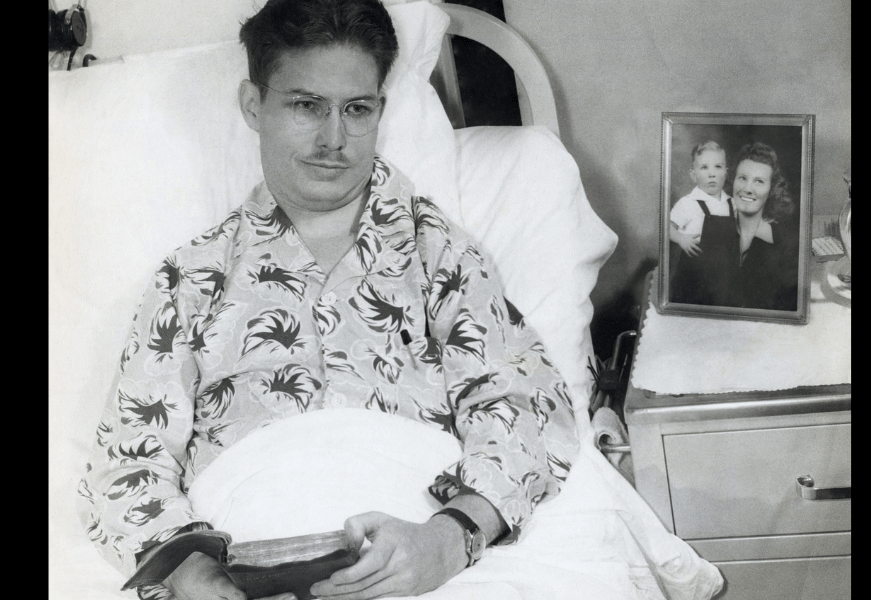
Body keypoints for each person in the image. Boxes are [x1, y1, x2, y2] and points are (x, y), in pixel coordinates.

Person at [75, 1, 580, 599]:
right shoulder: (190, 279)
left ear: (380, 111)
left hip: (412, 544)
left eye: (356, 109)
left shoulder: (439, 253)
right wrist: (192, 573)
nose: (334, 139)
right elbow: (130, 461)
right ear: (253, 105)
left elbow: (523, 404)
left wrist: (453, 537)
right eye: (306, 105)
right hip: (245, 557)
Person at [729, 142, 799, 311]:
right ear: (733, 181)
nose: (747, 189)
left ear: (772, 189)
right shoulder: (710, 230)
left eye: (759, 181)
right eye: (742, 178)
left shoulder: (786, 246)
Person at [668, 141, 736, 305]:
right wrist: (681, 238)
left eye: (718, 167)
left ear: (726, 173)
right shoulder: (688, 203)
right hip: (693, 280)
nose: (711, 173)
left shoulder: (732, 204)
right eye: (704, 167)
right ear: (693, 174)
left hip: (724, 281)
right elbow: (666, 228)